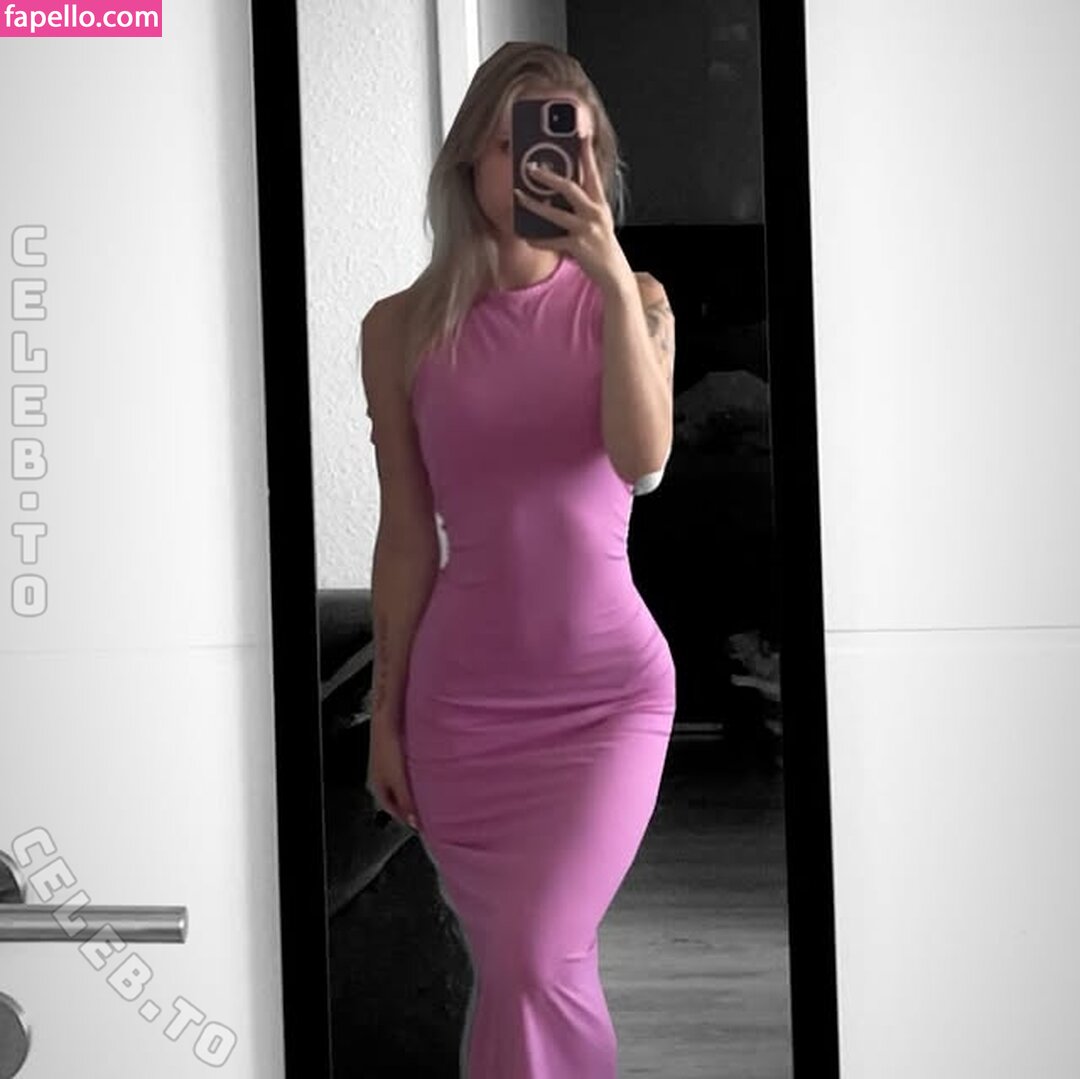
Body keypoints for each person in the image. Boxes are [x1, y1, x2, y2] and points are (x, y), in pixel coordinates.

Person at [359, 40, 676, 1079]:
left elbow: (642, 462)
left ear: (595, 164)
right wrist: (387, 713)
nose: (539, 166)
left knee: (539, 956)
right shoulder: (398, 329)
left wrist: (611, 279)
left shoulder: (636, 302)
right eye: (514, 143)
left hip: (607, 699)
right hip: (465, 710)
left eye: (566, 148)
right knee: (519, 968)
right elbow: (407, 533)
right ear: (471, 161)